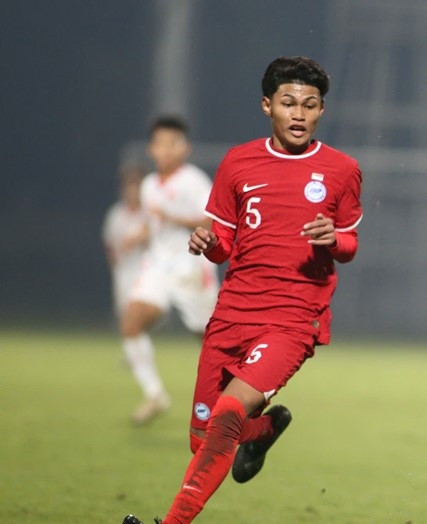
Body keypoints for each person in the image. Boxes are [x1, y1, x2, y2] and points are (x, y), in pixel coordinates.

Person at [123, 55, 363, 524]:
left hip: (293, 319)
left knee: (228, 413)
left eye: (310, 105)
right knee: (202, 439)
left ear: (321, 110)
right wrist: (208, 242)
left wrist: (334, 239)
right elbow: (225, 244)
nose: (299, 114)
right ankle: (263, 430)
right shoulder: (238, 162)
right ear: (267, 105)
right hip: (232, 314)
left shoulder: (341, 169)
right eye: (288, 103)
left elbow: (350, 244)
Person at [119, 116, 219, 425]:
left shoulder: (194, 181)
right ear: (151, 148)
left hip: (192, 266)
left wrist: (174, 218)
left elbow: (212, 222)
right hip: (158, 265)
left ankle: (232, 401)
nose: (165, 150)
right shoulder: (149, 185)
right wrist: (138, 235)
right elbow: (154, 224)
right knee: (132, 321)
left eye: (172, 144)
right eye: (160, 143)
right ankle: (155, 395)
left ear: (185, 148)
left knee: (209, 341)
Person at [103, 164, 149, 319]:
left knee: (143, 313)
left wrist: (139, 239)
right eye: (129, 186)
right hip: (123, 270)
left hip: (146, 270)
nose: (132, 191)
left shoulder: (149, 212)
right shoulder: (115, 214)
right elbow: (109, 243)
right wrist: (115, 265)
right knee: (125, 314)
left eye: (136, 186)